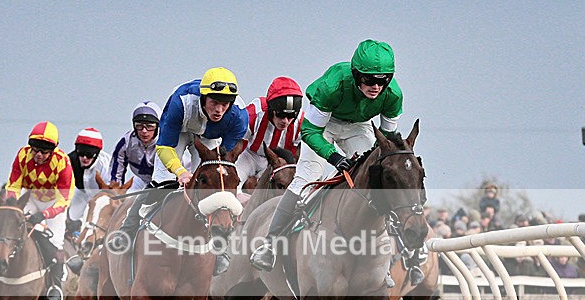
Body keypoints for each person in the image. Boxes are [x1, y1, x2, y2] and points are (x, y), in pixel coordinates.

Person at [250, 40, 404, 272]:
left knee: (377, 174)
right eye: (369, 80)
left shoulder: (393, 95)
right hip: (323, 126)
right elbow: (310, 131)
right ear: (355, 75)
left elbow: (386, 140)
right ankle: (269, 244)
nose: (376, 87)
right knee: (307, 178)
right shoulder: (332, 87)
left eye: (383, 80)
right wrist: (334, 157)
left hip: (359, 126)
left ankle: (389, 248)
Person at [109, 68, 249, 274]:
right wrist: (180, 171)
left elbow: (223, 158)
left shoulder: (239, 117)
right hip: (180, 132)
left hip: (209, 137)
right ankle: (127, 231)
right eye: (214, 103)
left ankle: (219, 249)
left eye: (224, 104)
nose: (219, 109)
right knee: (161, 182)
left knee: (216, 187)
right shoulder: (180, 103)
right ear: (204, 97)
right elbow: (164, 147)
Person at [0, 121, 73, 300]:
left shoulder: (63, 163)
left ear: (53, 150)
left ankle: (54, 285)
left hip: (54, 203)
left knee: (56, 242)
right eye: (35, 150)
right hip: (31, 197)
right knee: (8, 227)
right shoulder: (22, 155)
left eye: (44, 151)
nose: (39, 155)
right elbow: (14, 184)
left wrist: (44, 215)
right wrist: (12, 206)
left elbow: (64, 200)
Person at [236, 77, 304, 191]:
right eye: (281, 115)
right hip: (249, 155)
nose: (285, 121)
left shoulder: (301, 123)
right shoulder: (254, 113)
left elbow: (294, 156)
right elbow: (237, 144)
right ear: (271, 109)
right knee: (234, 182)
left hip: (276, 162)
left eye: (290, 117)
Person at [110, 102, 162, 192]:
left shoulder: (165, 141)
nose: (144, 131)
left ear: (158, 126)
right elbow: (116, 174)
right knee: (124, 203)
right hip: (141, 180)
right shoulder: (125, 142)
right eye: (139, 126)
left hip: (166, 182)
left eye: (150, 126)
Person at [67, 127, 112, 224]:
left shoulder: (106, 165)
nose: (84, 158)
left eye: (89, 154)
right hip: (81, 193)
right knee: (71, 218)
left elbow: (108, 193)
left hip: (101, 196)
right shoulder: (68, 161)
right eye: (81, 153)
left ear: (97, 154)